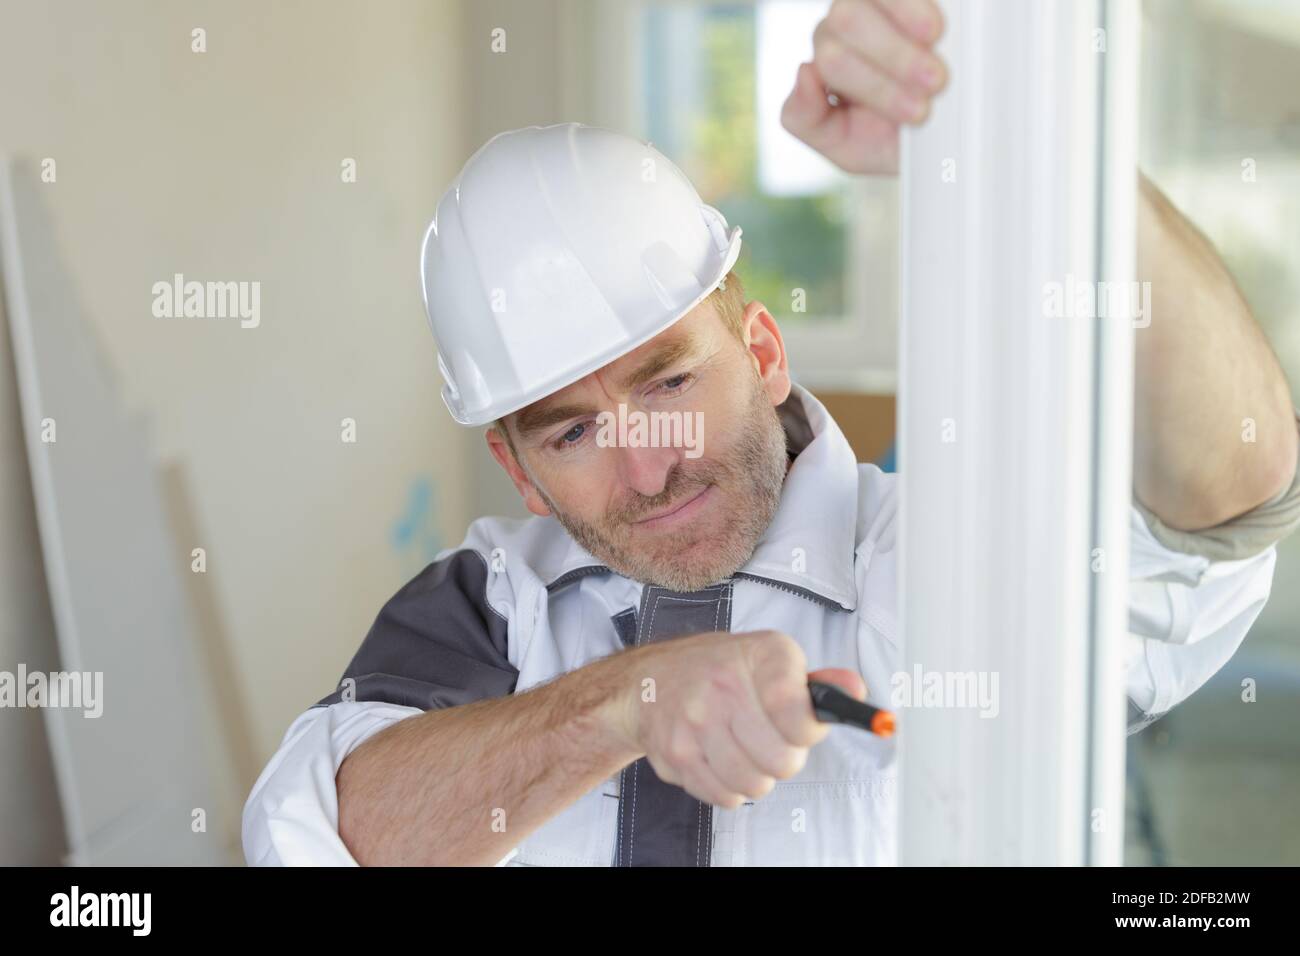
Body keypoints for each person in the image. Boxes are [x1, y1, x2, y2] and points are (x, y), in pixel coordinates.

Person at [242, 1, 1300, 866]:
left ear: (762, 349)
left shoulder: (939, 565)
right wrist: (622, 700)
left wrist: (1039, 141)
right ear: (515, 467)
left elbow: (1234, 482)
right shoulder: (485, 610)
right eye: (569, 433)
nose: (648, 466)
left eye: (668, 379)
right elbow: (322, 831)